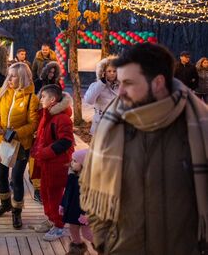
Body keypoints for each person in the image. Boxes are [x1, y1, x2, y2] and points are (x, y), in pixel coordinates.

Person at [80, 43, 208, 255]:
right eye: (119, 82)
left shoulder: (199, 127)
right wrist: (103, 240)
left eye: (129, 83)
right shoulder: (112, 123)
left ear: (157, 83)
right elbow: (93, 182)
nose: (119, 91)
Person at [0, 62, 39, 229]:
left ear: (23, 77)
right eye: (8, 75)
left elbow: (33, 124)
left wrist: (16, 133)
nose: (9, 79)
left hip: (21, 144)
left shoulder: (32, 98)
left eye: (13, 76)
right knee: (1, 174)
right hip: (4, 142)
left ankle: (17, 211)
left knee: (17, 178)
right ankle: (5, 204)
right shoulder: (3, 91)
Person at [31, 84, 74, 241]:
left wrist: (44, 152)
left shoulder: (61, 118)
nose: (40, 99)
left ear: (52, 99)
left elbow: (66, 141)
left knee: (55, 196)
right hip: (46, 163)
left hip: (57, 164)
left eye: (43, 97)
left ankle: (59, 226)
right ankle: (51, 219)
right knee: (45, 193)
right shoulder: (47, 114)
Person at [60, 149, 93, 255]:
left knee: (87, 233)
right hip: (72, 208)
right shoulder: (72, 177)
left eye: (75, 161)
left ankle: (103, 247)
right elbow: (67, 192)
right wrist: (62, 204)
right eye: (72, 160)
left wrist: (87, 215)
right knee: (73, 229)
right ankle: (76, 251)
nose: (72, 163)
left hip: (84, 212)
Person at [83, 56, 119, 135]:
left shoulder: (121, 87)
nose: (112, 73)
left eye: (114, 71)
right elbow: (89, 100)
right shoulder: (96, 85)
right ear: (103, 72)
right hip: (100, 123)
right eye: (109, 71)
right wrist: (101, 83)